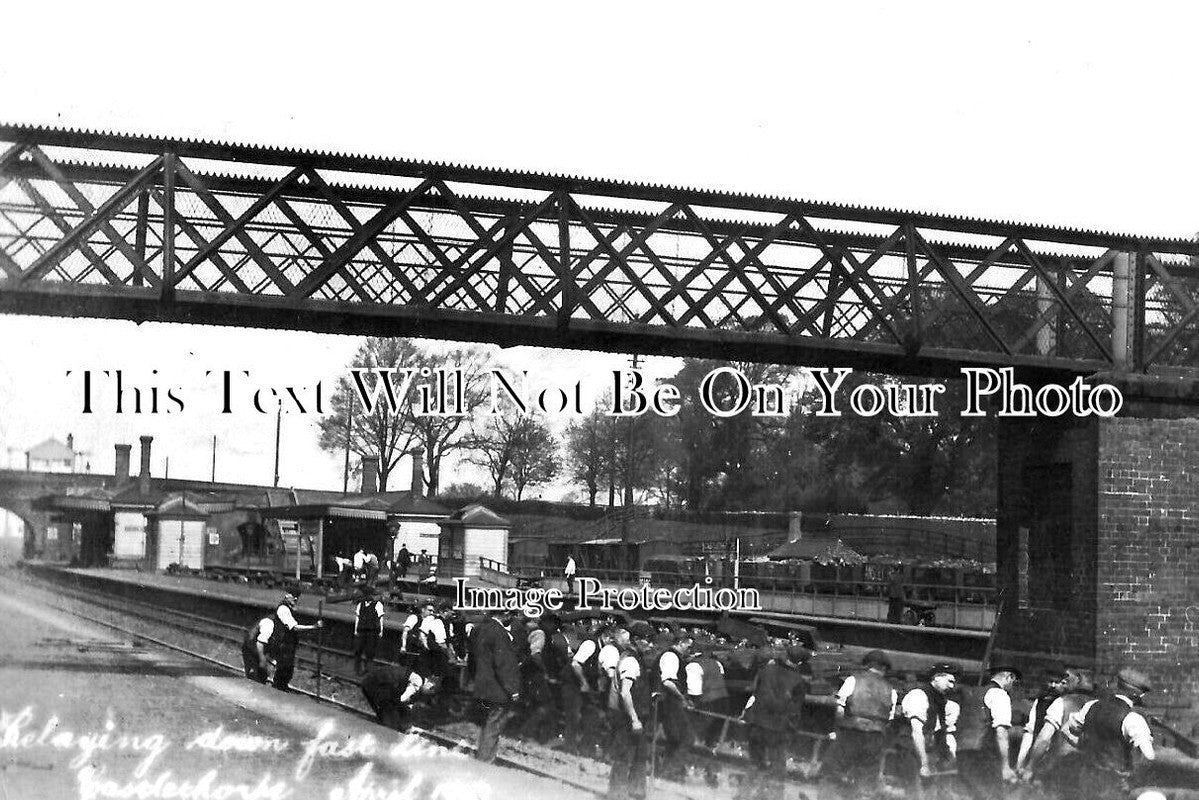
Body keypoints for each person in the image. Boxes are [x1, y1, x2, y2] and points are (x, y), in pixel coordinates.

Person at [1059, 667, 1155, 800]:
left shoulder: (1091, 706)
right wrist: (1132, 779)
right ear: (1138, 695)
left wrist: (1083, 746)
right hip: (1115, 787)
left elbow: (1065, 730)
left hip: (1087, 779)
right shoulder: (1133, 719)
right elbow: (1148, 757)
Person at [737, 644, 811, 800]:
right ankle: (771, 796)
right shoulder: (798, 681)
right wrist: (792, 731)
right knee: (777, 767)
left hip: (757, 724)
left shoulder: (766, 671)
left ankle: (743, 795)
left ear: (785, 656)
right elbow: (794, 711)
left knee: (755, 763)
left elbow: (755, 694)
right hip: (778, 729)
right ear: (800, 663)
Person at [821, 649, 897, 790]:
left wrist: (836, 730)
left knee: (833, 771)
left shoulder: (852, 680)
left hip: (851, 733)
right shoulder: (891, 690)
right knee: (866, 780)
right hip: (875, 737)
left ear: (867, 665)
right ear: (884, 669)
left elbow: (840, 709)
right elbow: (889, 720)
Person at [956, 664, 1021, 798]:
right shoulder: (1000, 695)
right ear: (1010, 677)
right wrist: (1005, 766)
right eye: (1015, 682)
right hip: (984, 756)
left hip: (963, 753)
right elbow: (1001, 732)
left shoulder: (974, 693)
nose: (1014, 687)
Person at [607, 621, 655, 800]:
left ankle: (636, 793)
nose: (651, 645)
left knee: (640, 755)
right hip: (628, 717)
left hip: (637, 715)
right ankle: (616, 795)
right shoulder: (630, 660)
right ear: (636, 640)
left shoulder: (636, 658)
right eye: (647, 640)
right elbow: (625, 692)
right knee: (624, 757)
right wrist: (634, 719)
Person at [243, 586, 322, 692]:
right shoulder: (270, 625)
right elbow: (260, 644)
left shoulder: (282, 618)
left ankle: (269, 690)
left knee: (265, 674)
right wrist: (262, 660)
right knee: (255, 677)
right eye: (293, 597)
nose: (295, 600)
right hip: (251, 648)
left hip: (263, 648)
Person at [470, 608, 521, 763]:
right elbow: (503, 664)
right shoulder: (500, 633)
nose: (512, 619)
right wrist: (513, 689)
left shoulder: (480, 629)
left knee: (488, 723)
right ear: (504, 613)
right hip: (497, 688)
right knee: (494, 725)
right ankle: (485, 761)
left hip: (483, 685)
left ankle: (484, 756)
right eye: (511, 615)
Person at [900, 664, 961, 784]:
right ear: (937, 677)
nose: (952, 686)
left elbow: (940, 731)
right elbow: (917, 732)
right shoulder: (919, 695)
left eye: (953, 683)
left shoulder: (941, 701)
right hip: (911, 753)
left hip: (930, 753)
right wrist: (924, 763)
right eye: (949, 681)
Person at [656, 632, 695, 781]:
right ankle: (671, 771)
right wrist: (682, 698)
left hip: (672, 703)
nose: (689, 650)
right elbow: (667, 682)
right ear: (680, 642)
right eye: (688, 646)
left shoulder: (675, 657)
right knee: (687, 738)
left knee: (675, 739)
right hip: (671, 703)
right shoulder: (671, 657)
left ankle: (669, 771)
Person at [361, 663, 438, 730]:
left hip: (373, 683)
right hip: (378, 682)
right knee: (394, 713)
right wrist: (402, 702)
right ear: (429, 682)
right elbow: (404, 696)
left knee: (389, 712)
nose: (430, 692)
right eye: (431, 688)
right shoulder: (418, 680)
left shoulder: (415, 681)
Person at [352, 584, 385, 674]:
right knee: (358, 650)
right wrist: (356, 629)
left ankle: (367, 670)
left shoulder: (377, 605)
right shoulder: (360, 604)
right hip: (362, 629)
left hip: (372, 630)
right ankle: (357, 669)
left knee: (369, 651)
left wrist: (381, 630)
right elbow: (357, 617)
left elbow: (380, 618)